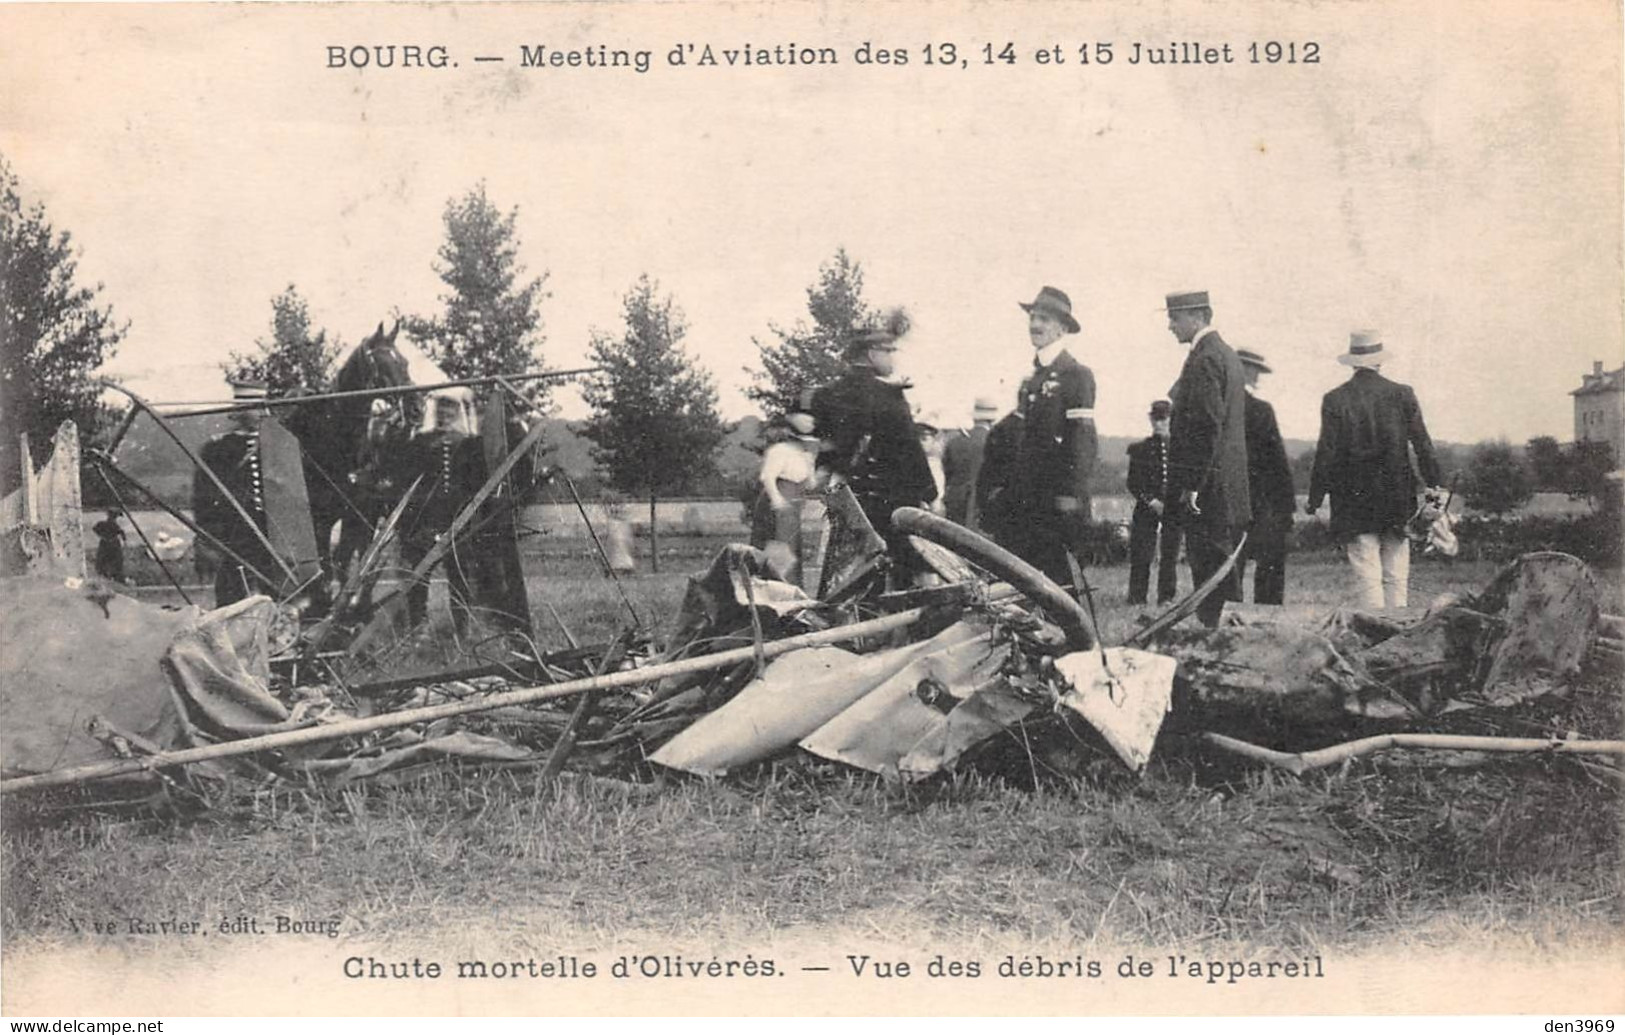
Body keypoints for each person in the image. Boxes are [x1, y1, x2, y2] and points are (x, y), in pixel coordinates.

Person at [1306, 331, 1443, 609]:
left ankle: (1373, 636)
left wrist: (1315, 499)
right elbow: (1422, 443)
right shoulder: (1402, 394)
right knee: (1396, 574)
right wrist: (1434, 483)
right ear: (1379, 361)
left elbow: (1326, 454)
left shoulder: (1335, 399)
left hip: (1353, 501)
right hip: (1398, 498)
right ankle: (1399, 635)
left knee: (1366, 573)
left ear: (1353, 362)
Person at [1163, 290, 1251, 628]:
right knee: (1219, 567)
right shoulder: (1225, 355)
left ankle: (1214, 637)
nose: (1170, 326)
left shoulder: (1205, 358)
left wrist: (1193, 486)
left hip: (1209, 488)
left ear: (1198, 316)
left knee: (1210, 569)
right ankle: (1218, 632)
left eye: (1175, 317)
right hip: (1224, 484)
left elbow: (1205, 426)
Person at [810, 314, 937, 542]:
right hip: (889, 502)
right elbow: (911, 451)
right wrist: (931, 495)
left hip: (844, 500)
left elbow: (825, 450)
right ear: (872, 354)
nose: (892, 360)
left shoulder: (825, 395)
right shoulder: (889, 396)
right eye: (889, 352)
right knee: (898, 567)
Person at [1007, 285, 1098, 587]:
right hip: (1028, 498)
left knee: (1061, 584)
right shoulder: (1033, 379)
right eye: (1033, 317)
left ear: (1062, 327)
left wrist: (1070, 495)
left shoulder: (1076, 374)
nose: (1035, 325)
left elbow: (1082, 441)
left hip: (1057, 500)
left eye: (1044, 319)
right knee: (1028, 581)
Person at [193, 379, 281, 607]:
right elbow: (203, 497)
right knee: (232, 594)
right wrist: (210, 535)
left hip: (271, 532)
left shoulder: (277, 445)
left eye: (264, 405)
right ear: (240, 411)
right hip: (235, 533)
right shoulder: (217, 449)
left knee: (275, 593)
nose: (263, 412)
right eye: (256, 407)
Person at [398, 392, 478, 633]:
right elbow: (409, 480)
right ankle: (418, 628)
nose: (445, 414)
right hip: (426, 519)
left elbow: (474, 483)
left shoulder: (468, 444)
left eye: (450, 410)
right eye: (441, 409)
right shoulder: (421, 442)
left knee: (460, 576)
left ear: (457, 413)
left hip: (458, 519)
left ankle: (462, 628)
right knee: (419, 575)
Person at [1236, 348, 1297, 605]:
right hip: (1263, 502)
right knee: (1270, 567)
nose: (1257, 377)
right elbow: (1277, 462)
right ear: (1247, 373)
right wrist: (1287, 507)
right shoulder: (1261, 410)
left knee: (1229, 569)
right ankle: (1267, 618)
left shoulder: (1219, 409)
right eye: (1255, 371)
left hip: (1229, 500)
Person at [749, 411, 825, 581]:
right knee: (775, 547)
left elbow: (810, 485)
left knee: (791, 548)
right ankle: (771, 587)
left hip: (793, 502)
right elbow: (767, 477)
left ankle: (791, 589)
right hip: (775, 500)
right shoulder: (779, 451)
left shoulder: (807, 455)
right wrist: (777, 500)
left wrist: (810, 465)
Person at [1125, 400, 1181, 606]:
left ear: (1171, 420)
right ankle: (1137, 597)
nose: (1159, 424)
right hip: (1146, 509)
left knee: (1170, 555)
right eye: (1155, 419)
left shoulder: (1181, 449)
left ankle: (1166, 597)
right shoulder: (1140, 449)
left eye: (1163, 419)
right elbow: (1133, 483)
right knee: (1141, 555)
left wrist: (1173, 504)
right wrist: (1151, 501)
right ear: (1150, 419)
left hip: (1174, 510)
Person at [942, 396, 998, 528]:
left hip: (955, 500)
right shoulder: (997, 442)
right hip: (981, 504)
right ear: (992, 419)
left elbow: (947, 473)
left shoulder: (955, 441)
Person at [91, 510, 127, 584]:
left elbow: (121, 533)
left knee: (115, 560)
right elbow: (95, 529)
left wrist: (101, 535)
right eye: (113, 516)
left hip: (110, 543)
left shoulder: (110, 524)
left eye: (114, 517)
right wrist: (102, 536)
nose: (113, 518)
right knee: (105, 560)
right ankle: (106, 575)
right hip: (109, 543)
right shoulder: (105, 524)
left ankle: (113, 576)